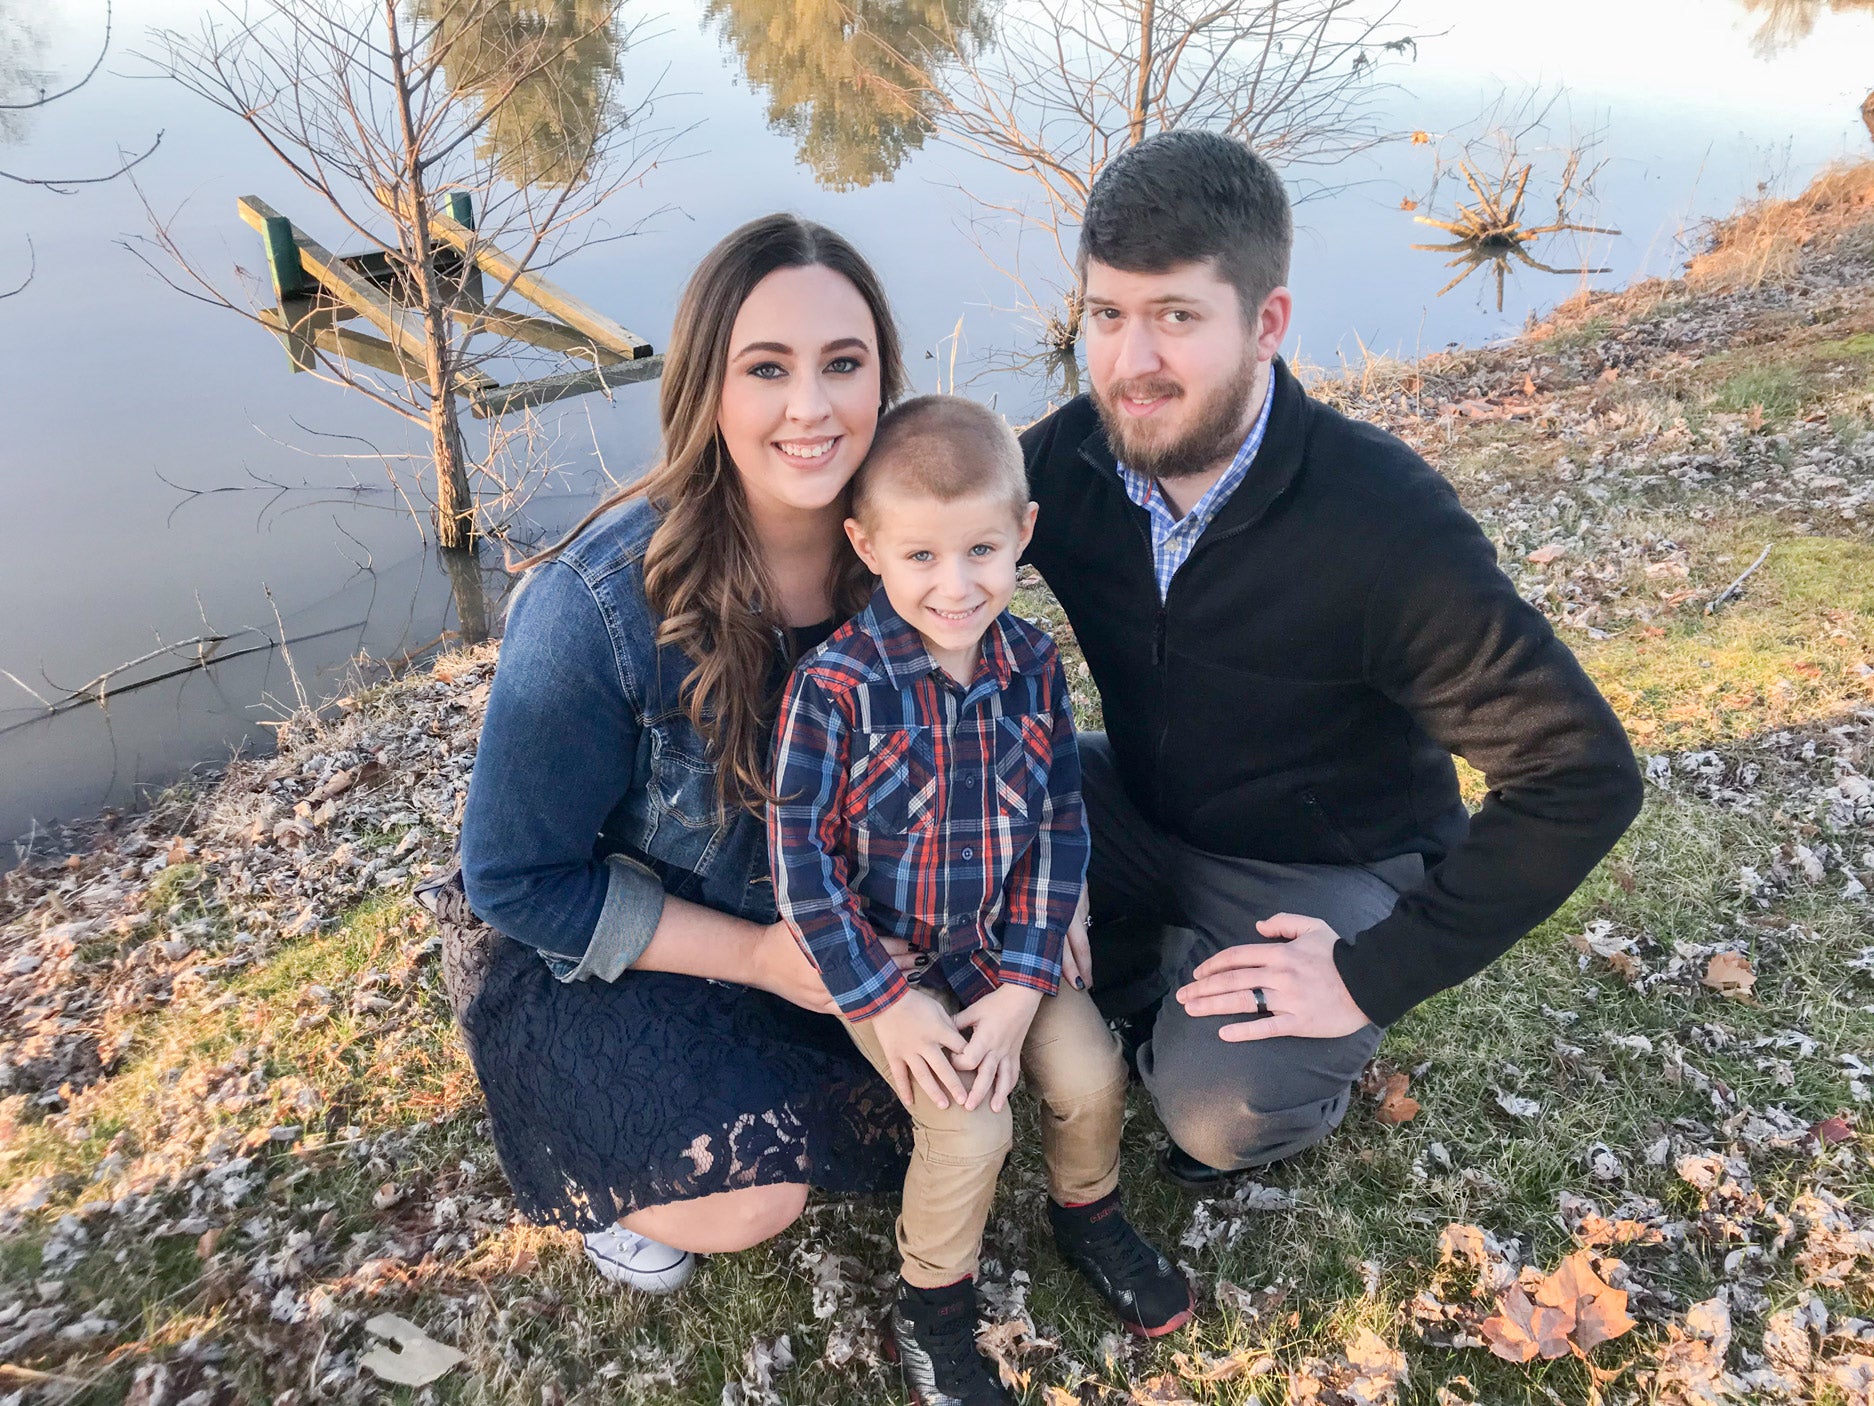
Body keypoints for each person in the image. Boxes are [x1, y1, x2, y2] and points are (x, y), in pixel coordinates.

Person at [1018, 131, 1645, 1190]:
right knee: (984, 807)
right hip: (1135, 803)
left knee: (1215, 1111)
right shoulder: (1072, 462)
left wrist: (1366, 974)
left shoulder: (1381, 524)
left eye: (1175, 316)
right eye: (1105, 315)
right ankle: (1151, 958)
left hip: (1321, 869)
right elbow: (909, 533)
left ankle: (1222, 998)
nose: (1130, 364)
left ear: (1265, 323)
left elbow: (1579, 775)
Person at [444, 214, 916, 1295]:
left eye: (843, 364)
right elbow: (515, 877)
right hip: (623, 952)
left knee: (976, 1074)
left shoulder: (912, 563)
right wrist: (756, 960)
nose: (811, 406)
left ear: (883, 376)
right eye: (767, 368)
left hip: (820, 928)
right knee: (749, 1192)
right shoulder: (597, 605)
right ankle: (608, 1177)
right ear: (709, 386)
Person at [770, 396, 1191, 1406]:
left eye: (981, 551)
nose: (954, 586)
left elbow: (1055, 815)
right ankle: (932, 1307)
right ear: (865, 544)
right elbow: (799, 860)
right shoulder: (833, 689)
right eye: (919, 556)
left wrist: (1025, 975)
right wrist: (878, 995)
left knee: (1090, 1075)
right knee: (971, 1129)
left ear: (1023, 535)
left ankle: (1085, 1213)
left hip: (1006, 946)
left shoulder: (1032, 664)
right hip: (894, 969)